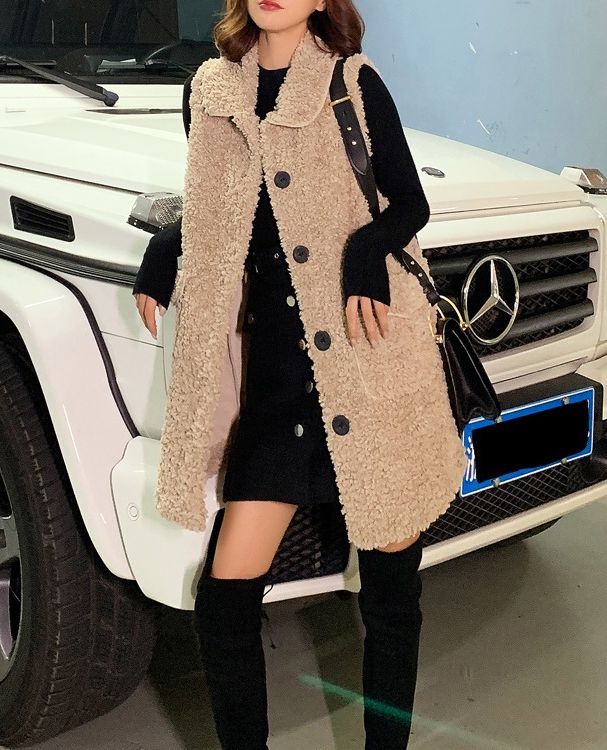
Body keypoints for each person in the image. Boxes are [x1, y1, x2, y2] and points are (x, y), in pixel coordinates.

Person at [133, 1, 466, 747]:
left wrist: (365, 250)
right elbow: (229, 209)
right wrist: (169, 245)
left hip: (364, 365)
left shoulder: (353, 82)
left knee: (391, 592)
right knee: (225, 597)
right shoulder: (211, 91)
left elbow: (409, 203)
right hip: (280, 380)